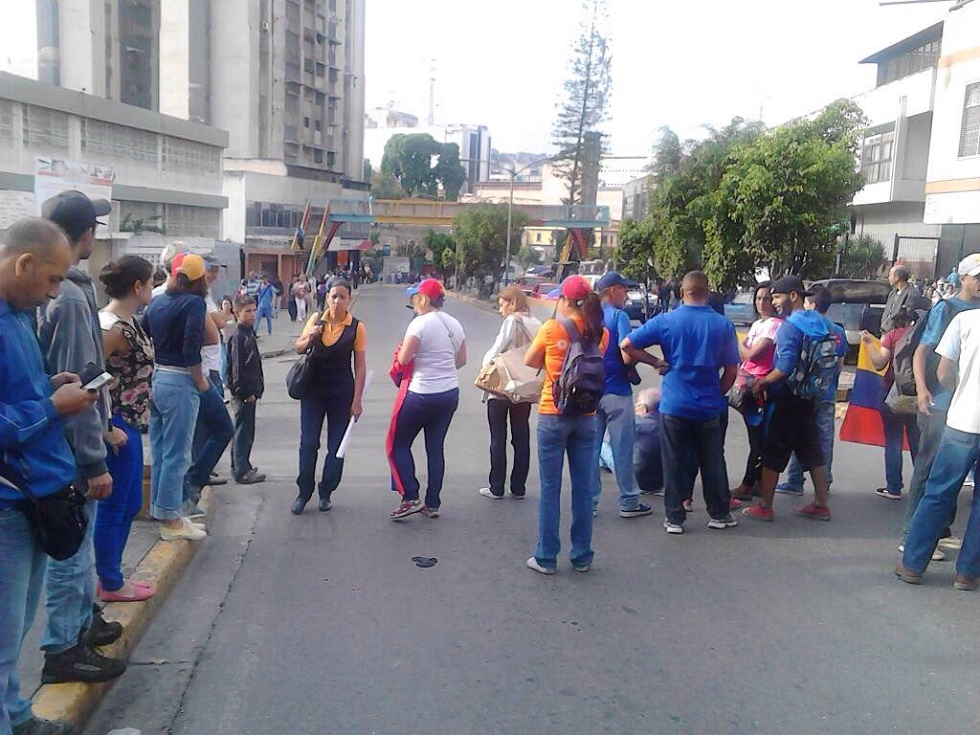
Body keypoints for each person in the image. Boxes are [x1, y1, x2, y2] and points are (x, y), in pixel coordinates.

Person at [1, 218, 100, 735]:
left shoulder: (18, 315)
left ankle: (16, 716)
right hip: (9, 502)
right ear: (23, 264)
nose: (54, 293)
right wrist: (50, 406)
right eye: (53, 279)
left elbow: (14, 388)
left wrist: (49, 383)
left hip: (33, 498)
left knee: (12, 632)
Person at [37, 191, 128, 685]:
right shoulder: (70, 298)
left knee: (79, 550)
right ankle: (63, 647)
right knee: (71, 555)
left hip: (70, 443)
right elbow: (73, 379)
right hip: (70, 454)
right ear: (85, 234)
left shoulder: (72, 290)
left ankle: (79, 627)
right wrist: (93, 460)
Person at [622, 271, 740, 535]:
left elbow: (627, 344)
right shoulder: (723, 325)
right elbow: (732, 371)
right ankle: (719, 513)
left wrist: (655, 362)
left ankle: (674, 518)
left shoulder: (666, 321)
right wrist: (717, 393)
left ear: (681, 293)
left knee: (673, 460)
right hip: (709, 404)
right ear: (706, 291)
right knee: (712, 460)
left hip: (674, 403)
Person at [523, 275, 606, 573]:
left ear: (565, 300)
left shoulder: (551, 327)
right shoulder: (600, 332)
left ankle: (546, 556)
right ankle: (581, 554)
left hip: (553, 412)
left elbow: (532, 361)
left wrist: (554, 359)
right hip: (587, 417)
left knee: (550, 487)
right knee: (583, 488)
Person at [900, 254, 980, 552]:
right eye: (977, 277)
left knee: (952, 475)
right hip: (940, 402)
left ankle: (939, 528)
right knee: (928, 469)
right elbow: (922, 352)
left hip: (967, 408)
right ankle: (910, 534)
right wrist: (922, 390)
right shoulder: (947, 309)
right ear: (962, 278)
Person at [742, 276, 833, 522]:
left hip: (786, 396)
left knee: (773, 450)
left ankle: (766, 506)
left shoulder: (790, 327)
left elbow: (784, 367)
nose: (774, 302)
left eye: (777, 297)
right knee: (812, 450)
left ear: (794, 296)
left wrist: (762, 381)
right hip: (810, 396)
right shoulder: (821, 323)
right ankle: (821, 504)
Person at [96, 256, 156, 603]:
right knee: (115, 504)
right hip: (116, 424)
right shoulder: (112, 328)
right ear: (137, 286)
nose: (152, 288)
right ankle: (110, 580)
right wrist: (105, 427)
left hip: (132, 423)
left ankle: (113, 574)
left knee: (131, 500)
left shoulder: (129, 321)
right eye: (149, 283)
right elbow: (87, 375)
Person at [143, 254, 211, 541]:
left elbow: (143, 332)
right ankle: (170, 520)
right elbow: (192, 346)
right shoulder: (194, 303)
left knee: (160, 450)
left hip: (157, 377)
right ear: (200, 279)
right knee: (177, 453)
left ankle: (161, 509)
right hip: (180, 380)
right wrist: (200, 382)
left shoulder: (158, 301)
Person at [388, 279, 466, 520]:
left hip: (420, 394)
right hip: (449, 392)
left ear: (423, 299)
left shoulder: (419, 324)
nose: (413, 302)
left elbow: (403, 358)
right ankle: (433, 503)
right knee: (435, 449)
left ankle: (410, 496)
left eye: (415, 297)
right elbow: (461, 360)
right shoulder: (454, 324)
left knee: (398, 444)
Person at [292, 279, 367, 514]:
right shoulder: (316, 320)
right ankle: (304, 493)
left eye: (342, 297)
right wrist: (309, 336)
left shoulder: (356, 327)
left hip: (341, 394)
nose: (337, 301)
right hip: (313, 392)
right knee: (308, 443)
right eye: (333, 296)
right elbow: (298, 347)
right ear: (327, 298)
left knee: (336, 448)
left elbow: (361, 367)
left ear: (349, 299)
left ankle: (326, 492)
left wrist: (357, 401)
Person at [776, 285, 846, 497]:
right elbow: (839, 365)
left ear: (812, 304)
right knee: (823, 438)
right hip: (826, 391)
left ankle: (795, 480)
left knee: (800, 434)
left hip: (802, 390)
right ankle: (824, 482)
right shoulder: (838, 331)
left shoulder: (802, 326)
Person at [593, 272, 652, 518]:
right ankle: (628, 501)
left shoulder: (588, 315)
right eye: (624, 291)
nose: (626, 296)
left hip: (589, 392)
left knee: (590, 450)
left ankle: (589, 502)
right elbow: (627, 353)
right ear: (613, 290)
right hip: (617, 391)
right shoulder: (620, 317)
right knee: (622, 448)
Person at [478, 286, 541, 500]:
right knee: (521, 436)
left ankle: (496, 487)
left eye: (502, 304)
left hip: (502, 386)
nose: (500, 309)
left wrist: (484, 367)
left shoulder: (512, 321)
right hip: (524, 387)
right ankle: (518, 487)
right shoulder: (537, 323)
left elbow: (497, 349)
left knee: (498, 437)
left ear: (512, 303)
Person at [184, 256, 234, 512]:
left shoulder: (202, 298)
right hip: (201, 374)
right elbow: (218, 323)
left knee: (209, 430)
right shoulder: (195, 303)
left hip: (207, 371)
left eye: (216, 270)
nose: (213, 275)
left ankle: (200, 474)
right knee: (219, 429)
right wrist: (200, 380)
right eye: (210, 270)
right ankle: (194, 480)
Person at [731, 282, 782, 501]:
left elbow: (751, 355)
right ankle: (757, 483)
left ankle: (748, 484)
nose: (762, 303)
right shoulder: (757, 325)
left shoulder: (774, 325)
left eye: (767, 298)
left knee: (758, 439)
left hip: (761, 385)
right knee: (757, 438)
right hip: (749, 385)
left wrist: (739, 342)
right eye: (759, 298)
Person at [862, 309, 920, 499]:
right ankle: (922, 486)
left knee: (893, 440)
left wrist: (870, 343)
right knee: (917, 441)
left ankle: (894, 487)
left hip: (892, 392)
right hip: (917, 394)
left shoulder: (892, 335)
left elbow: (879, 363)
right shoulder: (924, 336)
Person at [226, 296, 266, 489]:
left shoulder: (249, 333)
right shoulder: (238, 337)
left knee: (247, 430)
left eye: (253, 310)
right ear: (237, 313)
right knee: (243, 431)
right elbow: (237, 370)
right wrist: (246, 391)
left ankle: (244, 464)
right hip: (244, 394)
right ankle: (240, 470)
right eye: (247, 311)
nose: (252, 314)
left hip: (252, 391)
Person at [633, 388, 664, 496]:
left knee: (603, 444)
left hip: (639, 479)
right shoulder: (668, 425)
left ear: (644, 408)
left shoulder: (637, 424)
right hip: (662, 480)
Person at [881, 265, 918, 334]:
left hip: (898, 336)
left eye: (890, 275)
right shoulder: (892, 293)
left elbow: (909, 316)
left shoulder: (911, 294)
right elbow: (887, 312)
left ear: (896, 278)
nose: (888, 278)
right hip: (885, 332)